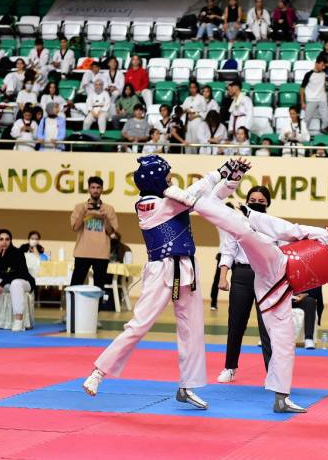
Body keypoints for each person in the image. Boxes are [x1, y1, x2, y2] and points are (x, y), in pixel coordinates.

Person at [169, 159, 328, 413]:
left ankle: (281, 397)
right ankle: (193, 200)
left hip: (280, 293)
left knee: (284, 343)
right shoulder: (324, 236)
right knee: (244, 232)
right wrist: (252, 215)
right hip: (276, 263)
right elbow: (287, 229)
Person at [82, 156, 244, 407]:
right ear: (156, 181)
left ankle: (187, 386)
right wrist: (221, 171)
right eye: (167, 176)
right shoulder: (149, 204)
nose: (172, 178)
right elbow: (193, 194)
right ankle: (98, 372)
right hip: (161, 269)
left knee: (192, 330)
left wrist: (232, 178)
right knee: (139, 324)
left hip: (186, 267)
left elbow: (207, 201)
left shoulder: (171, 200)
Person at [216, 186, 274, 383]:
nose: (256, 203)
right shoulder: (237, 223)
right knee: (236, 324)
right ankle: (230, 367)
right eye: (252, 199)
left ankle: (273, 374)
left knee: (267, 327)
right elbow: (228, 251)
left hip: (266, 277)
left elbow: (283, 254)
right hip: (241, 275)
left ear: (268, 203)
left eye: (261, 200)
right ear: (246, 200)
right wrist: (223, 277)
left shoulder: (274, 225)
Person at [69, 176, 118, 309]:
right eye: (93, 187)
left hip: (101, 254)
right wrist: (84, 212)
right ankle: (70, 314)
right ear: (89, 189)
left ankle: (95, 317)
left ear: (102, 190)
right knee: (75, 284)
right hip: (82, 252)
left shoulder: (109, 209)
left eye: (98, 188)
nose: (95, 190)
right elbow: (75, 228)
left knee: (99, 287)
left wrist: (105, 218)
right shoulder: (80, 207)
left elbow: (111, 232)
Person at [301, 57, 328, 134]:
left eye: (324, 66)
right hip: (311, 99)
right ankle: (304, 135)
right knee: (307, 120)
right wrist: (303, 102)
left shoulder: (324, 74)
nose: (324, 67)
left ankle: (323, 133)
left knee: (326, 119)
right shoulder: (308, 74)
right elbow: (302, 89)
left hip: (322, 99)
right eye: (322, 65)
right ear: (316, 63)